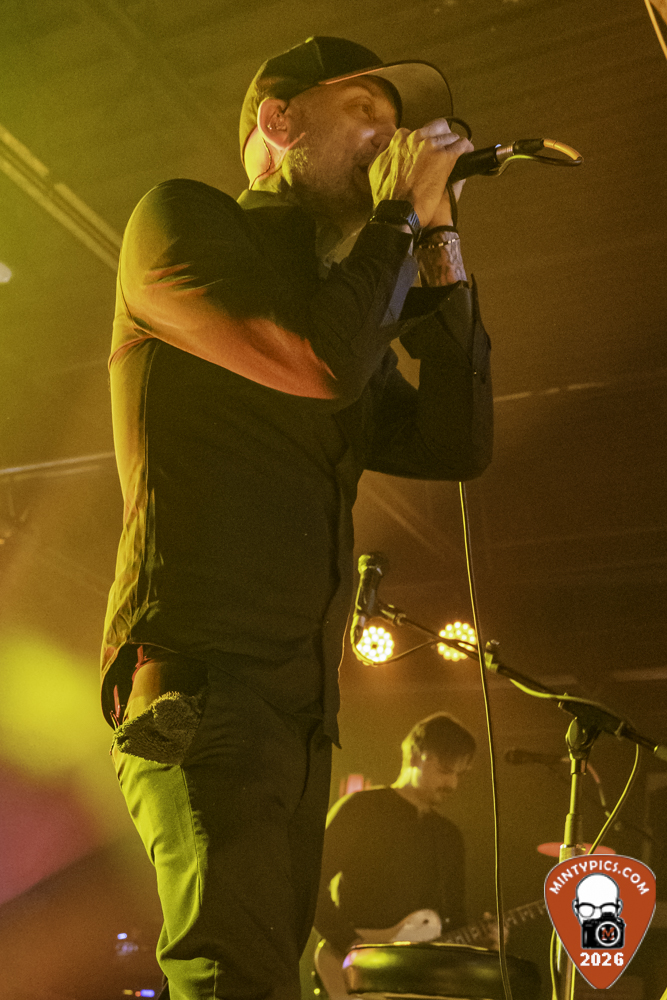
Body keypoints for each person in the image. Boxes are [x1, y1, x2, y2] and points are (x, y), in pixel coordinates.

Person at [101, 34, 493, 1000]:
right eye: (364, 111)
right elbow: (315, 362)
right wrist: (397, 213)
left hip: (301, 713)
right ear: (278, 122)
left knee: (270, 977)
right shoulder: (180, 222)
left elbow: (456, 442)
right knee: (232, 975)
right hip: (200, 684)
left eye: (395, 127)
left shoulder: (341, 310)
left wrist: (437, 241)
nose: (388, 138)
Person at [314, 713, 488, 992]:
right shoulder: (361, 809)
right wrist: (349, 942)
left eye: (459, 774)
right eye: (445, 770)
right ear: (417, 757)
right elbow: (309, 881)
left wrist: (482, 939)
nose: (453, 783)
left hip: (421, 982)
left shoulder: (449, 836)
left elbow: (454, 919)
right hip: (357, 972)